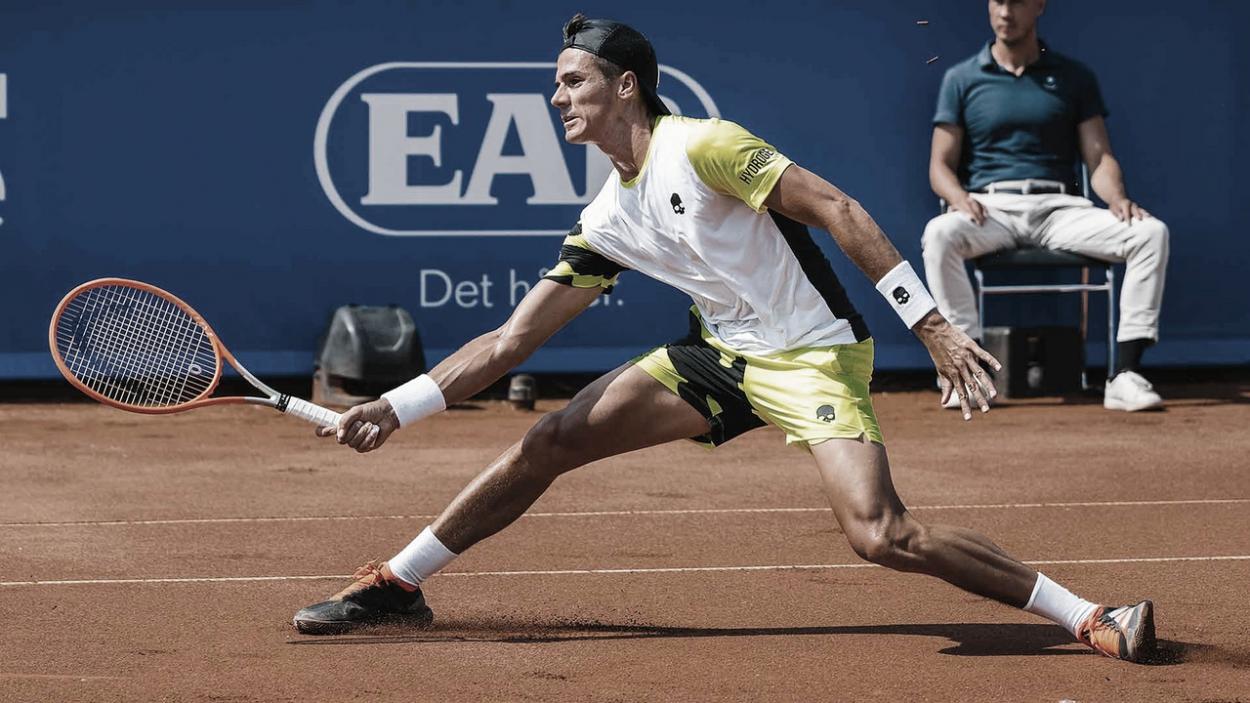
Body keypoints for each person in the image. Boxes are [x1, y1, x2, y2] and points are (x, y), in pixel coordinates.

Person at [292, 14, 1157, 662]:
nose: (557, 96)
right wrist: (397, 408)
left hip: (811, 350)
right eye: (557, 83)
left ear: (625, 84)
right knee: (549, 438)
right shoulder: (605, 219)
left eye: (572, 80)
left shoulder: (704, 147)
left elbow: (837, 210)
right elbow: (512, 340)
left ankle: (1088, 614)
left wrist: (928, 322)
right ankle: (397, 584)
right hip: (721, 354)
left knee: (881, 535)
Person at [922, 0, 1169, 412]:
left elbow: (1098, 157)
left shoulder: (1073, 77)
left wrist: (1118, 198)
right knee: (939, 233)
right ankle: (968, 373)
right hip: (990, 208)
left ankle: (1125, 375)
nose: (1005, 12)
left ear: (1039, 6)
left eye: (1016, 2)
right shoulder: (961, 78)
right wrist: (959, 197)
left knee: (1150, 232)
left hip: (1060, 208)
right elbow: (939, 166)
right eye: (997, 2)